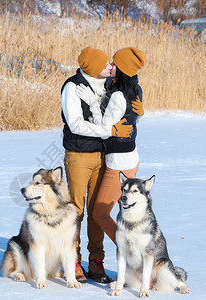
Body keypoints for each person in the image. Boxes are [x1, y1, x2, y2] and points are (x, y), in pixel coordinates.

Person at [61, 47, 132, 284]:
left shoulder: (109, 86)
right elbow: (75, 124)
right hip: (79, 155)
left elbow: (130, 83)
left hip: (103, 157)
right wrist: (108, 130)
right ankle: (73, 259)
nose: (111, 67)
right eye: (105, 65)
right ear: (92, 68)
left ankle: (96, 260)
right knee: (76, 211)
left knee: (96, 212)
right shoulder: (72, 87)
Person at [76, 47, 145, 245]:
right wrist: (141, 114)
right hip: (129, 157)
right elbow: (131, 118)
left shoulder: (117, 95)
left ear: (123, 68)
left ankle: (131, 252)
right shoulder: (134, 87)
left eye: (114, 63)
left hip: (119, 162)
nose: (110, 65)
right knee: (117, 213)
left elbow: (105, 126)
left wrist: (92, 103)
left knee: (100, 214)